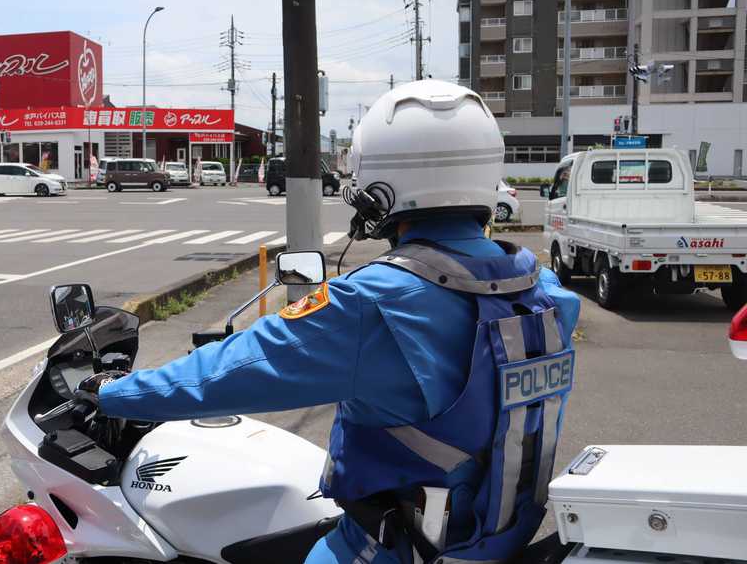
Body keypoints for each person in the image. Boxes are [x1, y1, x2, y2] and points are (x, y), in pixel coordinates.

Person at [77, 80, 582, 564]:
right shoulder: (547, 293)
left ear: (380, 184)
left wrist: (113, 392)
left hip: (396, 548)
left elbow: (232, 369)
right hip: (506, 539)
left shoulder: (373, 303)